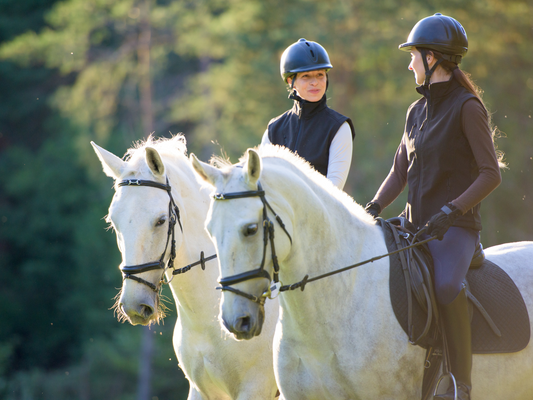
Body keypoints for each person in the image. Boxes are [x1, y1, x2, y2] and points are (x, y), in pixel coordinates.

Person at [364, 13, 503, 400]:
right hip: (414, 226)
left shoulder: (468, 107)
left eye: (414, 56)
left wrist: (452, 212)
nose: (409, 63)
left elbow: (491, 175)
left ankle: (461, 382)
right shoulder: (415, 112)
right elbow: (398, 173)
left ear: (434, 59)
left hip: (455, 229)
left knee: (445, 287)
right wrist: (372, 207)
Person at [261, 38, 355, 190]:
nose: (315, 82)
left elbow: (333, 191)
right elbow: (263, 183)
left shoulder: (339, 127)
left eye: (320, 75)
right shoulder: (273, 130)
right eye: (306, 76)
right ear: (291, 80)